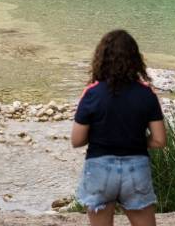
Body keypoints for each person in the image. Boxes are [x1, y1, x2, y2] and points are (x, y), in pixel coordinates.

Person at [71, 30, 167, 226]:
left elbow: (77, 140)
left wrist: (101, 135)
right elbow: (159, 140)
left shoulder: (92, 94)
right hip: (136, 168)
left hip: (99, 168)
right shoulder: (146, 94)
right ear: (135, 59)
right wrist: (136, 140)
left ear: (101, 59)